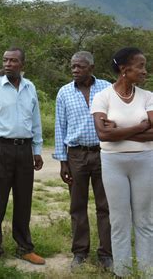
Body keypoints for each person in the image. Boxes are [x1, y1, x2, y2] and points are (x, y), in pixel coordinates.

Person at [0, 47, 45, 266]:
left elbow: (35, 122)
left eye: (13, 61)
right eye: (5, 60)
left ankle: (24, 247)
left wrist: (37, 151)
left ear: (22, 64)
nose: (8, 64)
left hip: (24, 150)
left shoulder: (30, 88)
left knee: (24, 201)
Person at [91, 47, 153, 277]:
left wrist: (119, 131)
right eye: (140, 66)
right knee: (119, 221)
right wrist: (139, 127)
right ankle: (123, 273)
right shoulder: (102, 97)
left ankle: (147, 273)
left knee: (145, 220)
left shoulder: (148, 97)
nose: (145, 71)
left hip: (145, 161)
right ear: (124, 70)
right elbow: (103, 135)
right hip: (113, 163)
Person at [53, 51, 113, 271]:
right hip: (76, 155)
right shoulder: (64, 92)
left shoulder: (107, 88)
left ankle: (106, 254)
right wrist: (62, 161)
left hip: (104, 153)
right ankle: (80, 253)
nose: (75, 70)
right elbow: (60, 128)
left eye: (80, 66)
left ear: (91, 68)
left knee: (105, 206)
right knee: (77, 206)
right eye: (73, 67)